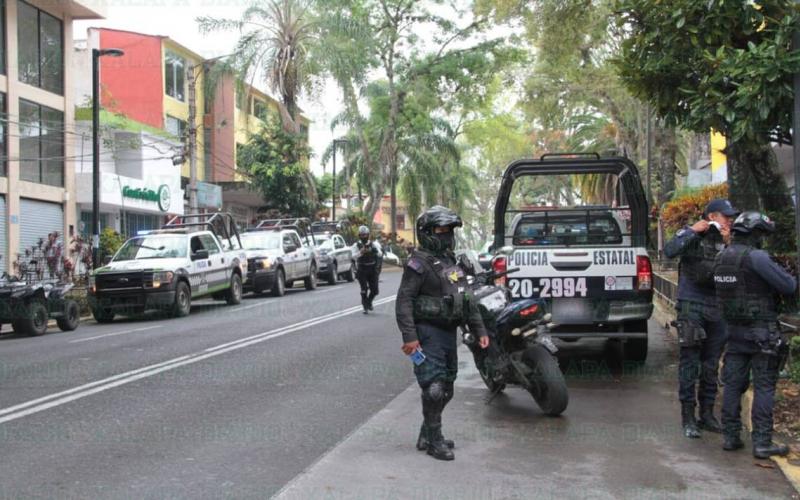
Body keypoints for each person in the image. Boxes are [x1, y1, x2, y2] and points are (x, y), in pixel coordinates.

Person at [395, 206, 490, 461]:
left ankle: (427, 433)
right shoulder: (418, 264)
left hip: (449, 333)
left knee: (447, 388)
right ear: (427, 232)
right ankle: (434, 441)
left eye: (449, 230)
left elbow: (466, 298)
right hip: (427, 333)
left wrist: (479, 329)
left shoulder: (452, 262)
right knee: (434, 388)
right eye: (440, 230)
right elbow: (404, 301)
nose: (446, 234)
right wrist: (410, 337)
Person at [713, 211, 796, 459]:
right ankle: (762, 442)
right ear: (755, 234)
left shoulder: (721, 257)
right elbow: (789, 286)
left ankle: (730, 436)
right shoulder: (757, 257)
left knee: (732, 386)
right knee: (764, 387)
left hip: (734, 333)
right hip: (761, 332)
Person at [664, 198, 738, 438]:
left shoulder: (731, 238)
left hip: (718, 306)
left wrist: (729, 242)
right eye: (726, 216)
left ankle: (707, 414)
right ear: (712, 216)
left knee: (710, 362)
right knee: (690, 362)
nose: (730, 220)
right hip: (691, 305)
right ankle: (688, 417)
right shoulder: (693, 235)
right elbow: (669, 250)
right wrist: (692, 230)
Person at [356, 225, 382, 314]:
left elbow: (380, 254)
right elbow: (352, 256)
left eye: (365, 235)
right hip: (362, 269)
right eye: (362, 235)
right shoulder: (356, 245)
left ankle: (369, 301)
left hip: (372, 268)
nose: (364, 237)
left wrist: (374, 250)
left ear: (368, 235)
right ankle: (365, 306)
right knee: (364, 289)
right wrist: (361, 252)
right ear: (359, 235)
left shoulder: (374, 244)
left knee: (375, 290)